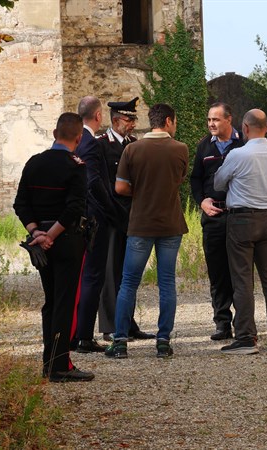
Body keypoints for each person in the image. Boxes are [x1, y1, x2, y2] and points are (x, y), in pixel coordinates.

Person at [12, 112, 94, 382]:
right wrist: (52, 235)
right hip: (67, 239)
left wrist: (37, 232)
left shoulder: (34, 163)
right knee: (65, 302)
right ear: (79, 138)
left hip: (40, 244)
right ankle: (60, 365)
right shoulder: (76, 165)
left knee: (51, 301)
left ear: (53, 133)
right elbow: (74, 207)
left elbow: (20, 204)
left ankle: (50, 362)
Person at [105, 103, 189, 359]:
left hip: (140, 223)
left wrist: (140, 191)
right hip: (170, 223)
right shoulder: (180, 149)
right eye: (174, 121)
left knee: (129, 282)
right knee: (167, 283)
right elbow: (179, 180)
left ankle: (119, 341)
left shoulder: (132, 149)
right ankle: (163, 340)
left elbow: (120, 188)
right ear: (167, 121)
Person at [213, 109, 267, 355]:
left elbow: (218, 183)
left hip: (242, 219)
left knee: (242, 278)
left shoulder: (237, 154)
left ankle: (246, 336)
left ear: (244, 128)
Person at [96, 97, 155, 342]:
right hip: (111, 218)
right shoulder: (102, 145)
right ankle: (110, 326)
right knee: (111, 273)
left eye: (133, 120)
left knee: (129, 273)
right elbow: (101, 184)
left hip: (133, 216)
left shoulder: (134, 144)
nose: (132, 124)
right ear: (117, 120)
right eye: (130, 120)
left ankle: (128, 322)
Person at [190, 102, 244, 341]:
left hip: (238, 217)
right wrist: (201, 202)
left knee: (240, 271)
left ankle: (243, 322)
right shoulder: (203, 146)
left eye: (216, 119)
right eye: (209, 120)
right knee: (218, 272)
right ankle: (222, 323)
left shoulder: (243, 143)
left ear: (229, 119)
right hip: (213, 218)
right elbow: (195, 179)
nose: (211, 123)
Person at [72, 96, 120, 353]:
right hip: (93, 218)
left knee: (81, 276)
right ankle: (84, 336)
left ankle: (76, 333)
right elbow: (93, 182)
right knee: (93, 276)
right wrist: (110, 210)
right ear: (99, 116)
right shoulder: (89, 143)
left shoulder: (74, 139)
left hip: (75, 217)